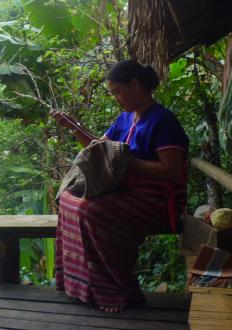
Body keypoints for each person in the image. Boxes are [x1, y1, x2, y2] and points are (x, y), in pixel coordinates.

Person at [50, 60, 189, 312]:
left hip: (155, 200)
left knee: (91, 210)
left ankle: (119, 290)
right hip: (124, 192)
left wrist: (127, 164)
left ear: (135, 85)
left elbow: (172, 171)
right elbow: (99, 150)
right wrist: (74, 127)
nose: (116, 98)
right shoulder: (125, 119)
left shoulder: (163, 121)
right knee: (68, 199)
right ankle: (85, 286)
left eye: (117, 91)